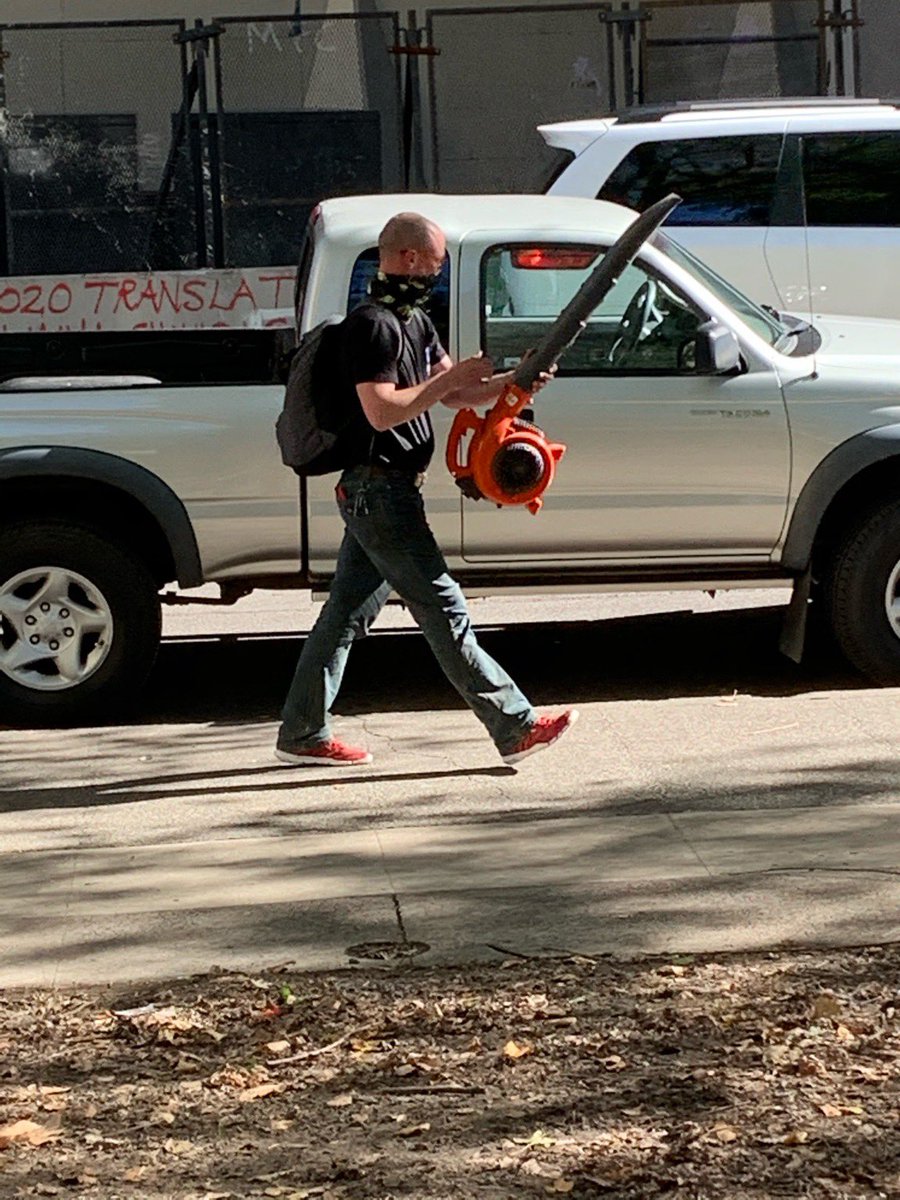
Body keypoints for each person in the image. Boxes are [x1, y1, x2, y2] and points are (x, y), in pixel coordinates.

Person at [276, 212, 578, 768]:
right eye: (436, 263)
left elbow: (458, 395)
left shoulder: (415, 321)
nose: (437, 273)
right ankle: (514, 725)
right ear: (410, 258)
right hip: (377, 491)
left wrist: (514, 381)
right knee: (444, 609)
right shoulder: (373, 326)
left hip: (386, 492)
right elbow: (383, 410)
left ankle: (301, 731)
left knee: (344, 614)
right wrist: (450, 378)